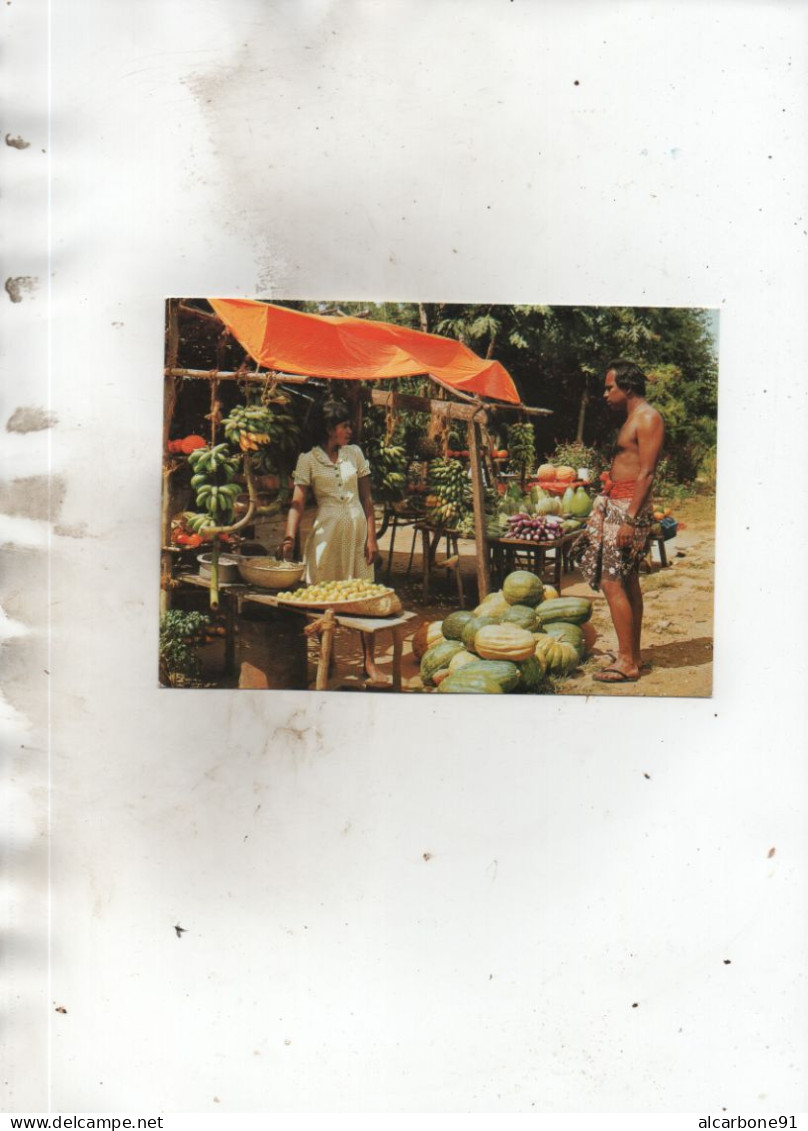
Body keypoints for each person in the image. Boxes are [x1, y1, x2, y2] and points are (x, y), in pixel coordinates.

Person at [281, 398, 388, 684]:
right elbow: (298, 503)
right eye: (344, 425)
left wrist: (372, 538)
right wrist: (289, 537)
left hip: (356, 537)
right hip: (325, 539)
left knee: (366, 597)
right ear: (329, 428)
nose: (350, 430)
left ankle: (369, 662)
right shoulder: (308, 460)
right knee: (323, 599)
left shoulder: (354, 454)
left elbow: (367, 499)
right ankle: (326, 660)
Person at [578, 360, 665, 683]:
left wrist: (629, 520)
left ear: (627, 387)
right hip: (618, 504)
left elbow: (647, 472)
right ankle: (634, 655)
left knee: (612, 580)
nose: (605, 393)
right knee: (626, 581)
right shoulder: (633, 418)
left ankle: (627, 661)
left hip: (629, 508)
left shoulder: (648, 418)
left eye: (609, 387)